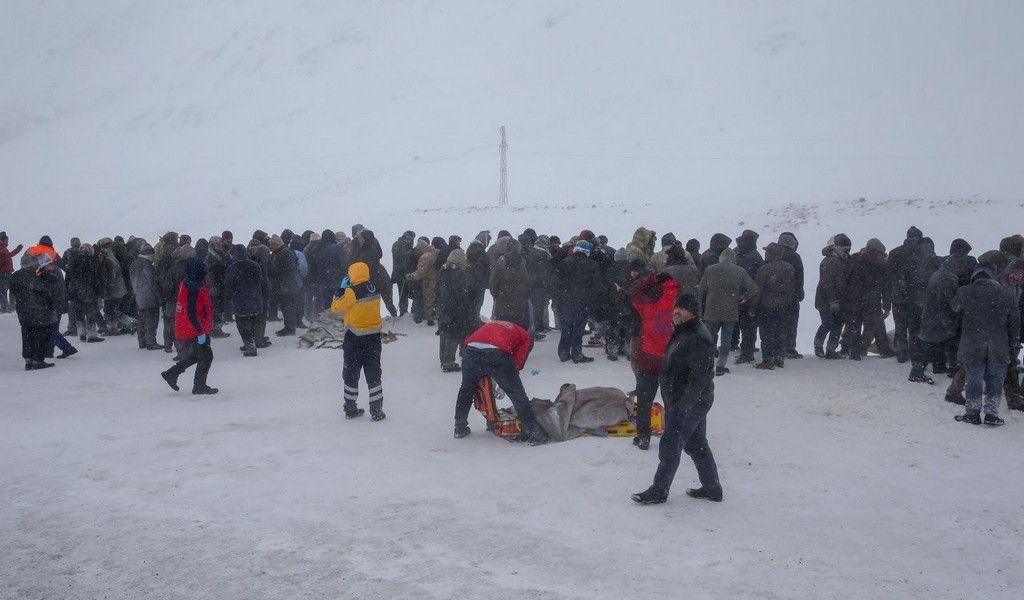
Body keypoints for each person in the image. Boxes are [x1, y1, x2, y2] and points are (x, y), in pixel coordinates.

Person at [632, 293, 720, 505]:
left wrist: (684, 407)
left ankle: (659, 490)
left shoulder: (698, 337)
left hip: (690, 402)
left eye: (682, 309)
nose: (676, 312)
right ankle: (712, 487)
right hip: (683, 399)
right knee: (696, 444)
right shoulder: (683, 331)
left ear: (693, 312)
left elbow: (699, 378)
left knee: (671, 443)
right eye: (676, 308)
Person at [452, 320, 548, 445]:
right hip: (495, 353)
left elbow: (471, 342)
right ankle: (534, 432)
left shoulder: (495, 325)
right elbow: (518, 362)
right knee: (517, 395)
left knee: (466, 389)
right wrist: (507, 380)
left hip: (471, 351)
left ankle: (459, 426)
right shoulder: (526, 337)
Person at [952, 267, 1020, 426]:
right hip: (998, 346)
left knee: (974, 379)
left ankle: (972, 413)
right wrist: (1012, 342)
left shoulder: (965, 291)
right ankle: (991, 414)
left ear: (975, 278)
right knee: (995, 380)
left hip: (972, 344)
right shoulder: (1006, 294)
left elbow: (954, 310)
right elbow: (1014, 322)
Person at [630, 271, 680, 449]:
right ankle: (673, 437)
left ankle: (643, 437)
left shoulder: (649, 299)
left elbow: (634, 293)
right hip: (672, 358)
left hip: (649, 357)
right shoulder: (680, 299)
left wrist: (651, 279)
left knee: (645, 400)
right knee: (672, 401)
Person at [331, 262, 386, 421]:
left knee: (351, 374)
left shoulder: (351, 292)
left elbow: (336, 308)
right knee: (374, 374)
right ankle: (376, 410)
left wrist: (340, 290)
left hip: (354, 338)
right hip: (373, 338)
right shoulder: (374, 288)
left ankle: (350, 408)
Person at [160, 258, 218, 395]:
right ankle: (199, 386)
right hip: (194, 327)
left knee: (199, 355)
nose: (205, 272)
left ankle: (172, 373)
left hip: (192, 325)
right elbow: (192, 311)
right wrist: (200, 331)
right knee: (206, 356)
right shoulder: (194, 286)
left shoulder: (190, 282)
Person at [697, 247, 758, 376]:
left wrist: (700, 308)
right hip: (730, 311)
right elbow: (753, 289)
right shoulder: (740, 271)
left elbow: (701, 291)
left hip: (711, 311)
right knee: (726, 340)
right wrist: (743, 298)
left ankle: (707, 364)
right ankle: (720, 365)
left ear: (721, 258)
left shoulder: (710, 270)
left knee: (709, 338)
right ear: (733, 259)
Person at [841, 238, 894, 362]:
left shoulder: (854, 259)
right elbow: (886, 287)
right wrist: (886, 306)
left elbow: (846, 279)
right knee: (878, 326)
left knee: (855, 325)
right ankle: (884, 350)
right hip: (872, 301)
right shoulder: (882, 265)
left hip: (854, 299)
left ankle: (854, 352)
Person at [554, 240, 600, 363]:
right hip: (582, 303)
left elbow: (556, 284)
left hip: (565, 302)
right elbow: (596, 286)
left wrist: (559, 299)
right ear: (587, 252)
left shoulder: (564, 263)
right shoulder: (592, 265)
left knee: (566, 328)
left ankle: (563, 353)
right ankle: (577, 354)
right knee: (578, 329)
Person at [753, 242, 796, 369]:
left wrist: (753, 306)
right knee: (781, 331)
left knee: (767, 333)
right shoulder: (789, 268)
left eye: (767, 252)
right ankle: (779, 357)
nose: (765, 254)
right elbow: (791, 287)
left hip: (768, 305)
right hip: (785, 305)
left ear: (771, 254)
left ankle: (767, 359)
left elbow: (758, 290)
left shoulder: (764, 269)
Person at [10, 254, 57, 370]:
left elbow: (13, 290)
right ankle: (38, 360)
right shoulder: (35, 276)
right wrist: (46, 272)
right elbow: (49, 286)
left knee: (27, 334)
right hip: (38, 311)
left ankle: (28, 360)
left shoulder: (15, 276)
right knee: (40, 335)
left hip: (23, 311)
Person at [887, 227, 924, 363]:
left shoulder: (895, 253)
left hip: (898, 298)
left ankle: (901, 353)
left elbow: (889, 276)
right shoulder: (921, 253)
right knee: (915, 327)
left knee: (900, 326)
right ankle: (915, 353)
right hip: (916, 298)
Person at [814, 234, 852, 358]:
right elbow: (827, 283)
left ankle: (831, 350)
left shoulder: (844, 260)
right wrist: (833, 301)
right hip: (825, 300)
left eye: (848, 250)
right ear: (836, 248)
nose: (847, 252)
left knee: (838, 324)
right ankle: (818, 345)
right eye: (845, 250)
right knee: (828, 323)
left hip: (840, 299)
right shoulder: (829, 261)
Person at [436, 249, 473, 372]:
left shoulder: (443, 271)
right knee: (454, 334)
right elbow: (460, 294)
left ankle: (443, 360)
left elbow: (438, 291)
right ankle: (449, 362)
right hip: (454, 308)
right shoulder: (459, 274)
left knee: (444, 332)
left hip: (443, 307)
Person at [777, 232, 804, 359]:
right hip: (791, 295)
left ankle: (777, 347)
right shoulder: (795, 257)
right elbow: (799, 276)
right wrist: (799, 292)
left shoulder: (775, 253)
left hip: (775, 295)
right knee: (792, 322)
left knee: (778, 322)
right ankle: (789, 347)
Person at [129, 243, 162, 350]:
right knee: (151, 320)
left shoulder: (134, 264)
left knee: (141, 320)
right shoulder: (147, 266)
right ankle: (151, 342)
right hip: (149, 297)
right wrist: (159, 296)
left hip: (138, 296)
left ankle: (142, 341)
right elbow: (152, 283)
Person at [392, 231, 416, 316]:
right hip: (406, 272)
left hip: (397, 273)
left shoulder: (395, 244)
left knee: (402, 293)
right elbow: (406, 257)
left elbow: (396, 258)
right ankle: (407, 312)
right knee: (410, 292)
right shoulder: (408, 243)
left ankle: (403, 311)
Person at [0, 231, 23, 312]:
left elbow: (6, 256)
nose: (8, 242)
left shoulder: (3, 248)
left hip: (6, 272)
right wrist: (17, 250)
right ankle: (6, 308)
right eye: (7, 240)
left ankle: (8, 307)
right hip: (4, 273)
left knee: (7, 290)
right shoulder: (1, 247)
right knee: (5, 290)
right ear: (2, 240)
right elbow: (6, 257)